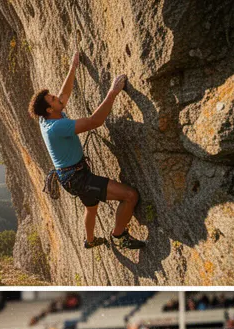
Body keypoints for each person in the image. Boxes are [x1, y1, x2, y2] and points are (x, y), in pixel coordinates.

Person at [29, 51, 146, 250]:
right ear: (50, 109)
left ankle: (90, 241)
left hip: (71, 176)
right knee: (130, 196)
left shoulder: (46, 117)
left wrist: (73, 67)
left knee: (91, 208)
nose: (59, 98)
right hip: (78, 179)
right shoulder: (57, 127)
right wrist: (112, 93)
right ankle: (118, 236)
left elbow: (64, 95)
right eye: (53, 99)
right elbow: (95, 121)